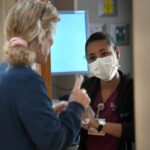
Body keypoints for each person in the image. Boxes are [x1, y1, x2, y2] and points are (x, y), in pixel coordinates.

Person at [0, 0, 91, 150]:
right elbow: (54, 142)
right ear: (42, 36)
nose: (52, 43)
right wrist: (76, 106)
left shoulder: (4, 71)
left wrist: (47, 115)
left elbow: (12, 124)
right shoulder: (29, 80)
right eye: (52, 37)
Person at [78, 32, 135, 150]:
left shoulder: (132, 89)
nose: (99, 61)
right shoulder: (87, 85)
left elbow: (136, 131)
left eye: (104, 54)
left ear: (117, 53)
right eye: (92, 58)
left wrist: (96, 124)